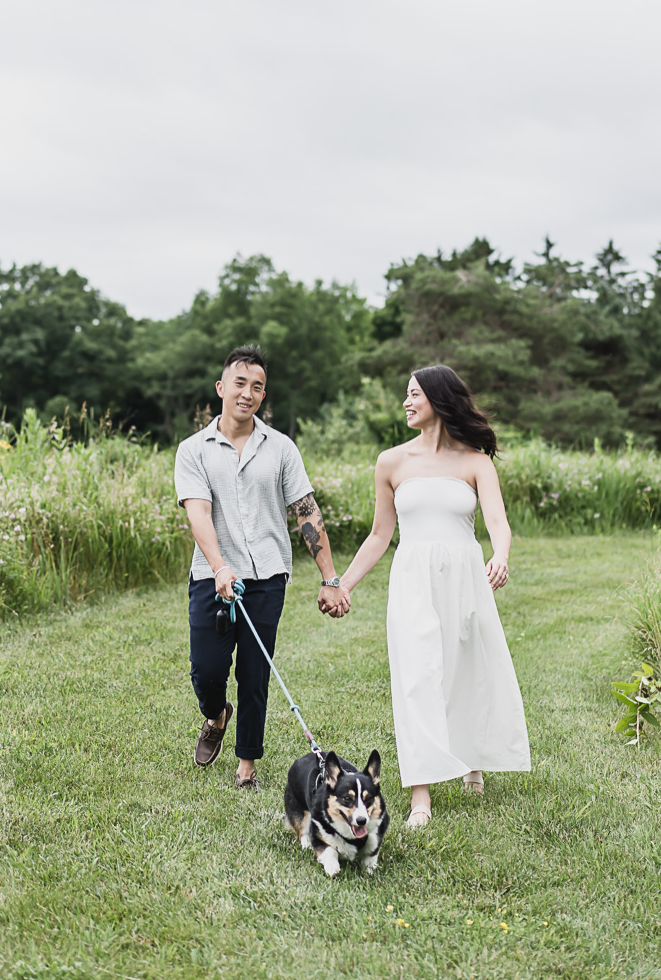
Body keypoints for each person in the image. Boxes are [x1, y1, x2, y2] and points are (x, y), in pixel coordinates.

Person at [330, 366, 530, 826]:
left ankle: (471, 759)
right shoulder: (391, 462)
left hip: (464, 575)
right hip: (413, 577)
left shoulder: (476, 462)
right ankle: (421, 794)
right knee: (417, 676)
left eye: (414, 394)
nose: (406, 402)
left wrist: (500, 554)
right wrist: (344, 583)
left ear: (438, 400)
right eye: (406, 394)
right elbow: (380, 535)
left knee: (465, 669)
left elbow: (498, 521)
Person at [175, 345, 350, 789]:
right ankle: (215, 716)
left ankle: (246, 766)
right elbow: (198, 512)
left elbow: (307, 511)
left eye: (257, 387)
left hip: (268, 575)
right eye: (239, 383)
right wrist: (219, 568)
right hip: (212, 578)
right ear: (221, 387)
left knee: (255, 672)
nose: (247, 393)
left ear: (263, 395)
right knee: (208, 670)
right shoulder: (193, 450)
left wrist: (330, 579)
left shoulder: (281, 448)